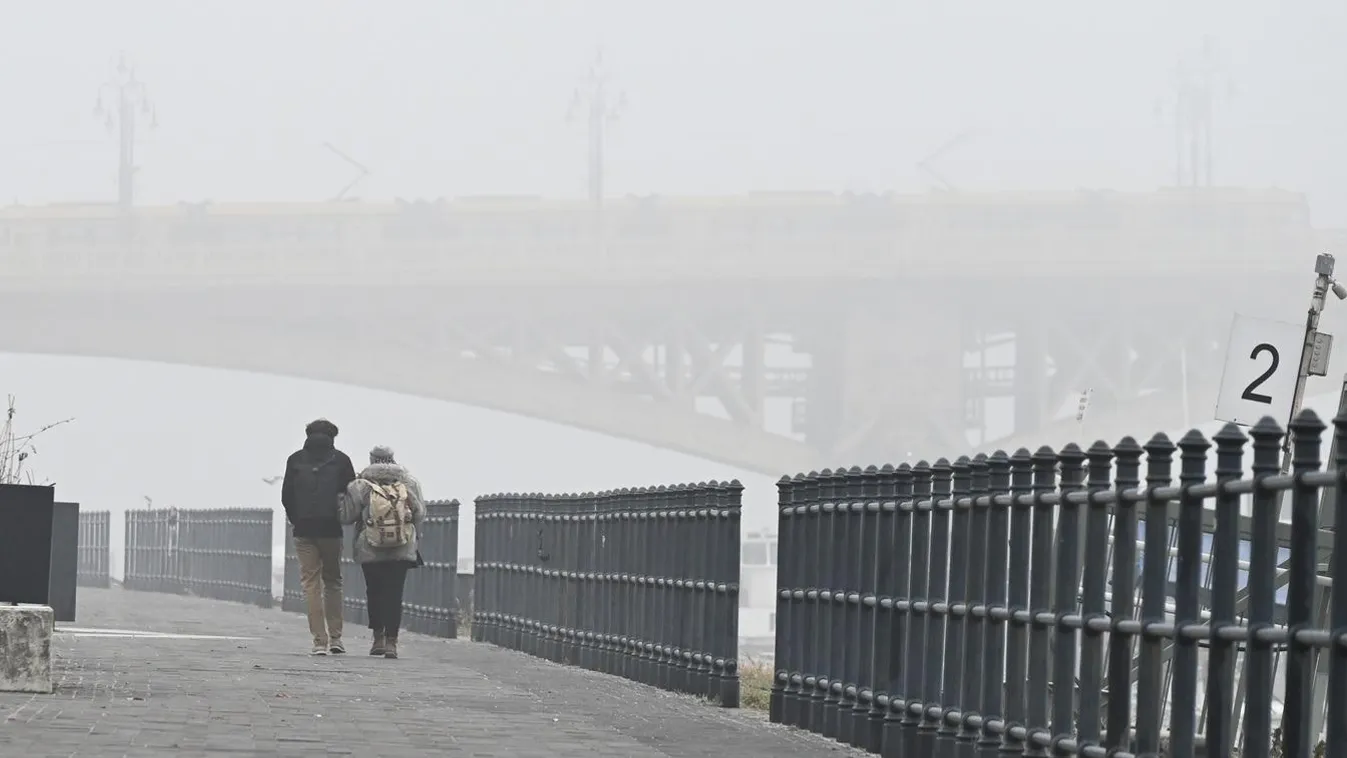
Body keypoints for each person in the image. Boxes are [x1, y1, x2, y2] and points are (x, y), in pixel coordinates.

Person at [341, 445, 425, 660]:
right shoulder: (409, 482)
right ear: (393, 459)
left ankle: (377, 638)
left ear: (371, 459)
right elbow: (419, 513)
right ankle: (392, 643)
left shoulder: (360, 485)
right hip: (402, 546)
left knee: (374, 591)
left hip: (370, 546)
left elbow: (347, 516)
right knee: (394, 594)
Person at [281, 418, 356, 655]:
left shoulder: (295, 460)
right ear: (333, 437)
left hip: (304, 531)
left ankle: (319, 641)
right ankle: (336, 638)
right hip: (331, 530)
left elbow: (286, 496)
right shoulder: (341, 460)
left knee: (310, 584)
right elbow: (351, 495)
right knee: (333, 581)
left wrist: (297, 519)